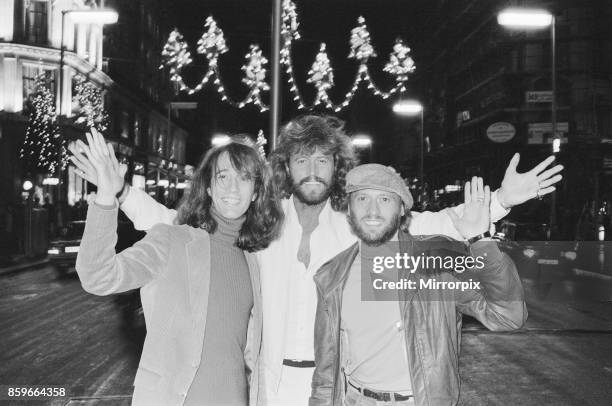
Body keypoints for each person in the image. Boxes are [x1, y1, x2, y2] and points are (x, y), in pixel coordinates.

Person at [69, 114, 561, 405]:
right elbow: (177, 226)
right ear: (285, 167)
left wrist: (500, 202)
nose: (311, 170)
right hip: (267, 381)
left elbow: (438, 223)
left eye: (322, 159)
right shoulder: (262, 224)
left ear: (336, 167)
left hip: (332, 386)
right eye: (300, 159)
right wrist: (118, 193)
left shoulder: (358, 223)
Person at [74, 130, 283, 406]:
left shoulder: (253, 259)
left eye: (244, 178)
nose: (233, 189)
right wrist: (106, 194)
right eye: (223, 177)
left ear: (256, 192)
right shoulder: (173, 241)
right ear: (208, 187)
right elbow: (97, 277)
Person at [309, 164, 527, 406]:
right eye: (362, 198)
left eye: (384, 198)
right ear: (349, 209)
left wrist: (480, 241)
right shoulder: (332, 276)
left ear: (402, 209)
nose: (372, 210)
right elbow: (326, 373)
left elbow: (507, 316)